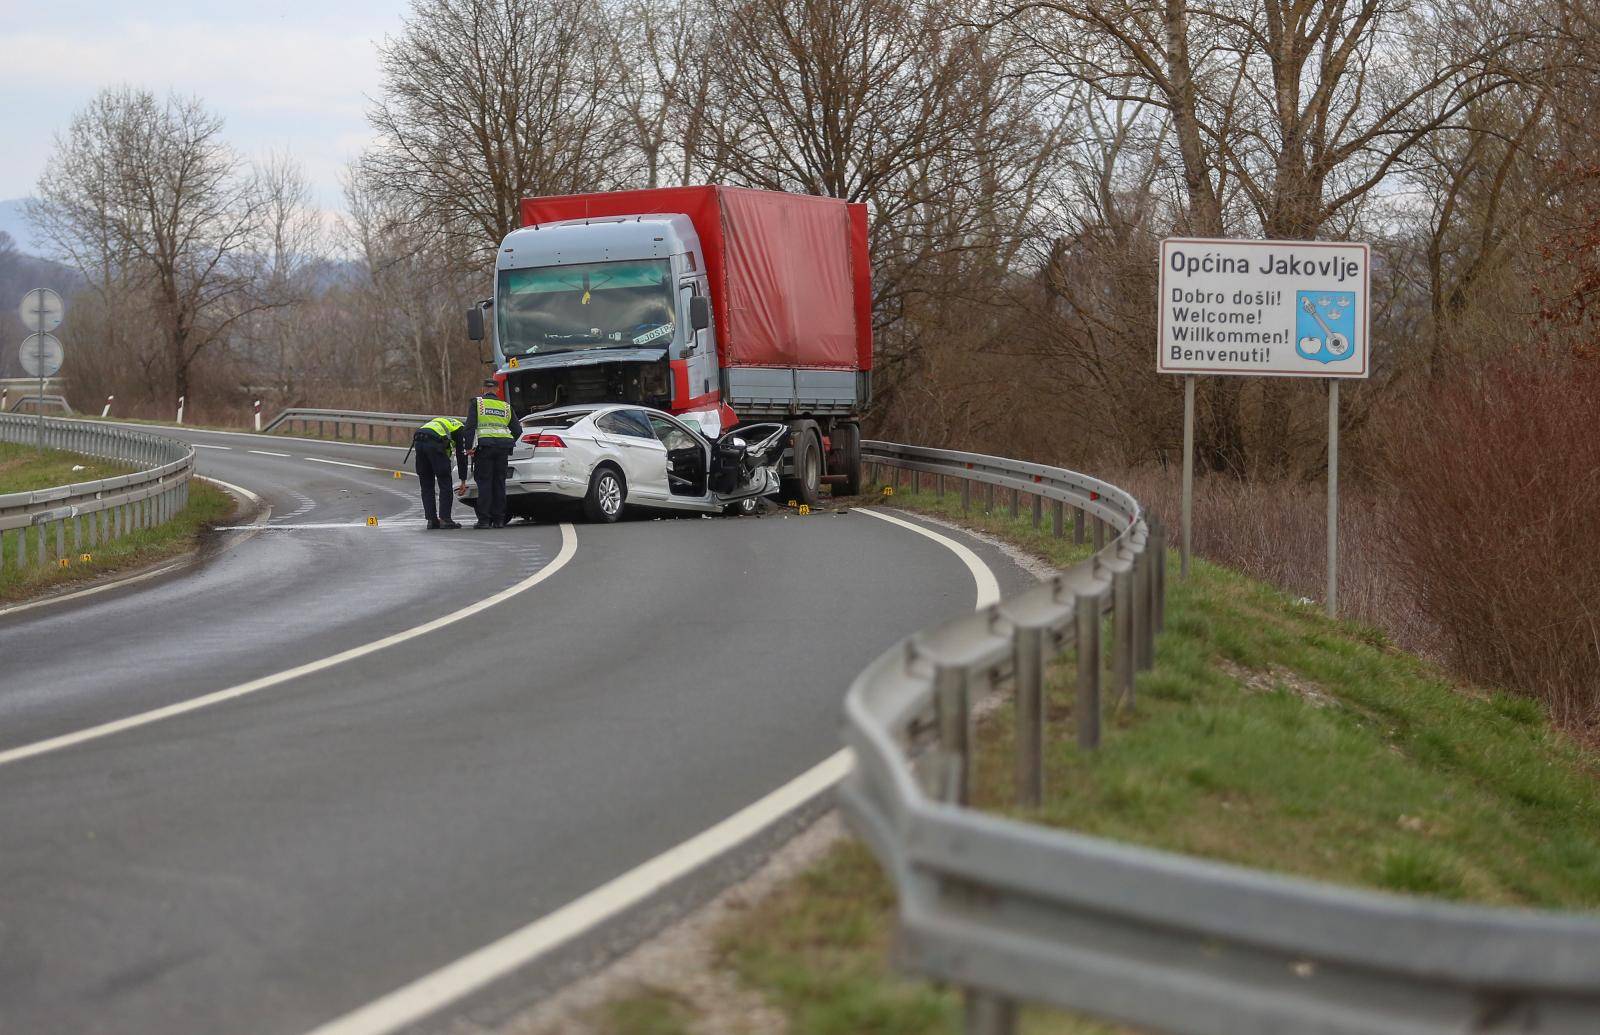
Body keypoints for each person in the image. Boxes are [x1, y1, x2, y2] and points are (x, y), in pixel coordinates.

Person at [463, 379, 521, 528]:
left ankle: (484, 520)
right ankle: (499, 520)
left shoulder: (478, 403)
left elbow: (470, 427)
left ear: (483, 389)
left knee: (484, 483)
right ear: (497, 390)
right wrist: (505, 440)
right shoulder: (506, 406)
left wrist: (469, 447)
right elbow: (517, 430)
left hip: (485, 448)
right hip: (502, 449)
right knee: (499, 483)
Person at [409, 415, 469, 530]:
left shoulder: (443, 422)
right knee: (445, 481)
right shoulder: (461, 429)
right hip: (434, 442)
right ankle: (445, 519)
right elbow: (462, 456)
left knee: (426, 484)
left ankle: (431, 520)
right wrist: (463, 480)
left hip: (419, 439)